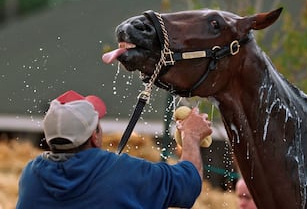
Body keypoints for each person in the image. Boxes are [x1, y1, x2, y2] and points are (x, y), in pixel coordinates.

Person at [17, 90, 212, 209]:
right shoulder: (124, 172)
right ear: (94, 135)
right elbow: (188, 184)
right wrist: (192, 137)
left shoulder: (32, 176)